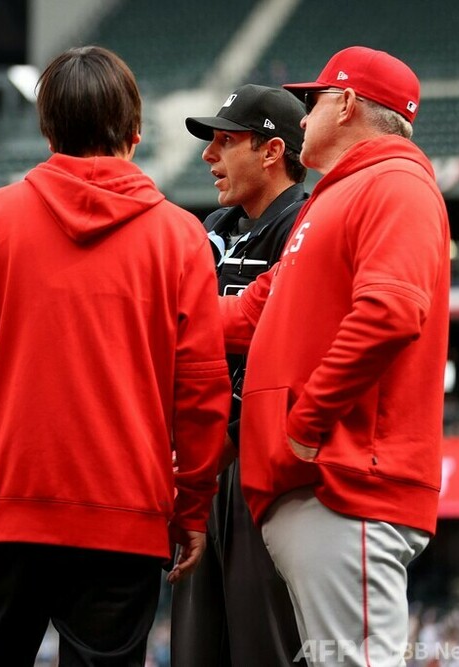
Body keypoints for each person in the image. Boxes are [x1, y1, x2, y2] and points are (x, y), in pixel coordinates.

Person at [0, 45, 230, 666]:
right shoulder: (181, 236)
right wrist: (192, 506)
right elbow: (201, 390)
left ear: (48, 131)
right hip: (125, 517)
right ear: (135, 131)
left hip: (8, 507)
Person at [220, 46, 449, 667]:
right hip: (317, 486)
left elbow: (391, 313)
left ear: (347, 103)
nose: (303, 116)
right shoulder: (334, 198)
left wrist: (306, 422)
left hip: (346, 484)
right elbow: (249, 313)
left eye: (314, 100)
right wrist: (142, 314)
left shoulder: (396, 183)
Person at [171, 83, 309, 667]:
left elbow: (285, 345)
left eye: (225, 141)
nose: (209, 155)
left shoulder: (303, 223)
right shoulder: (215, 224)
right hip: (204, 461)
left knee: (261, 645)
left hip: (262, 460)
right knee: (196, 645)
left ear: (272, 151)